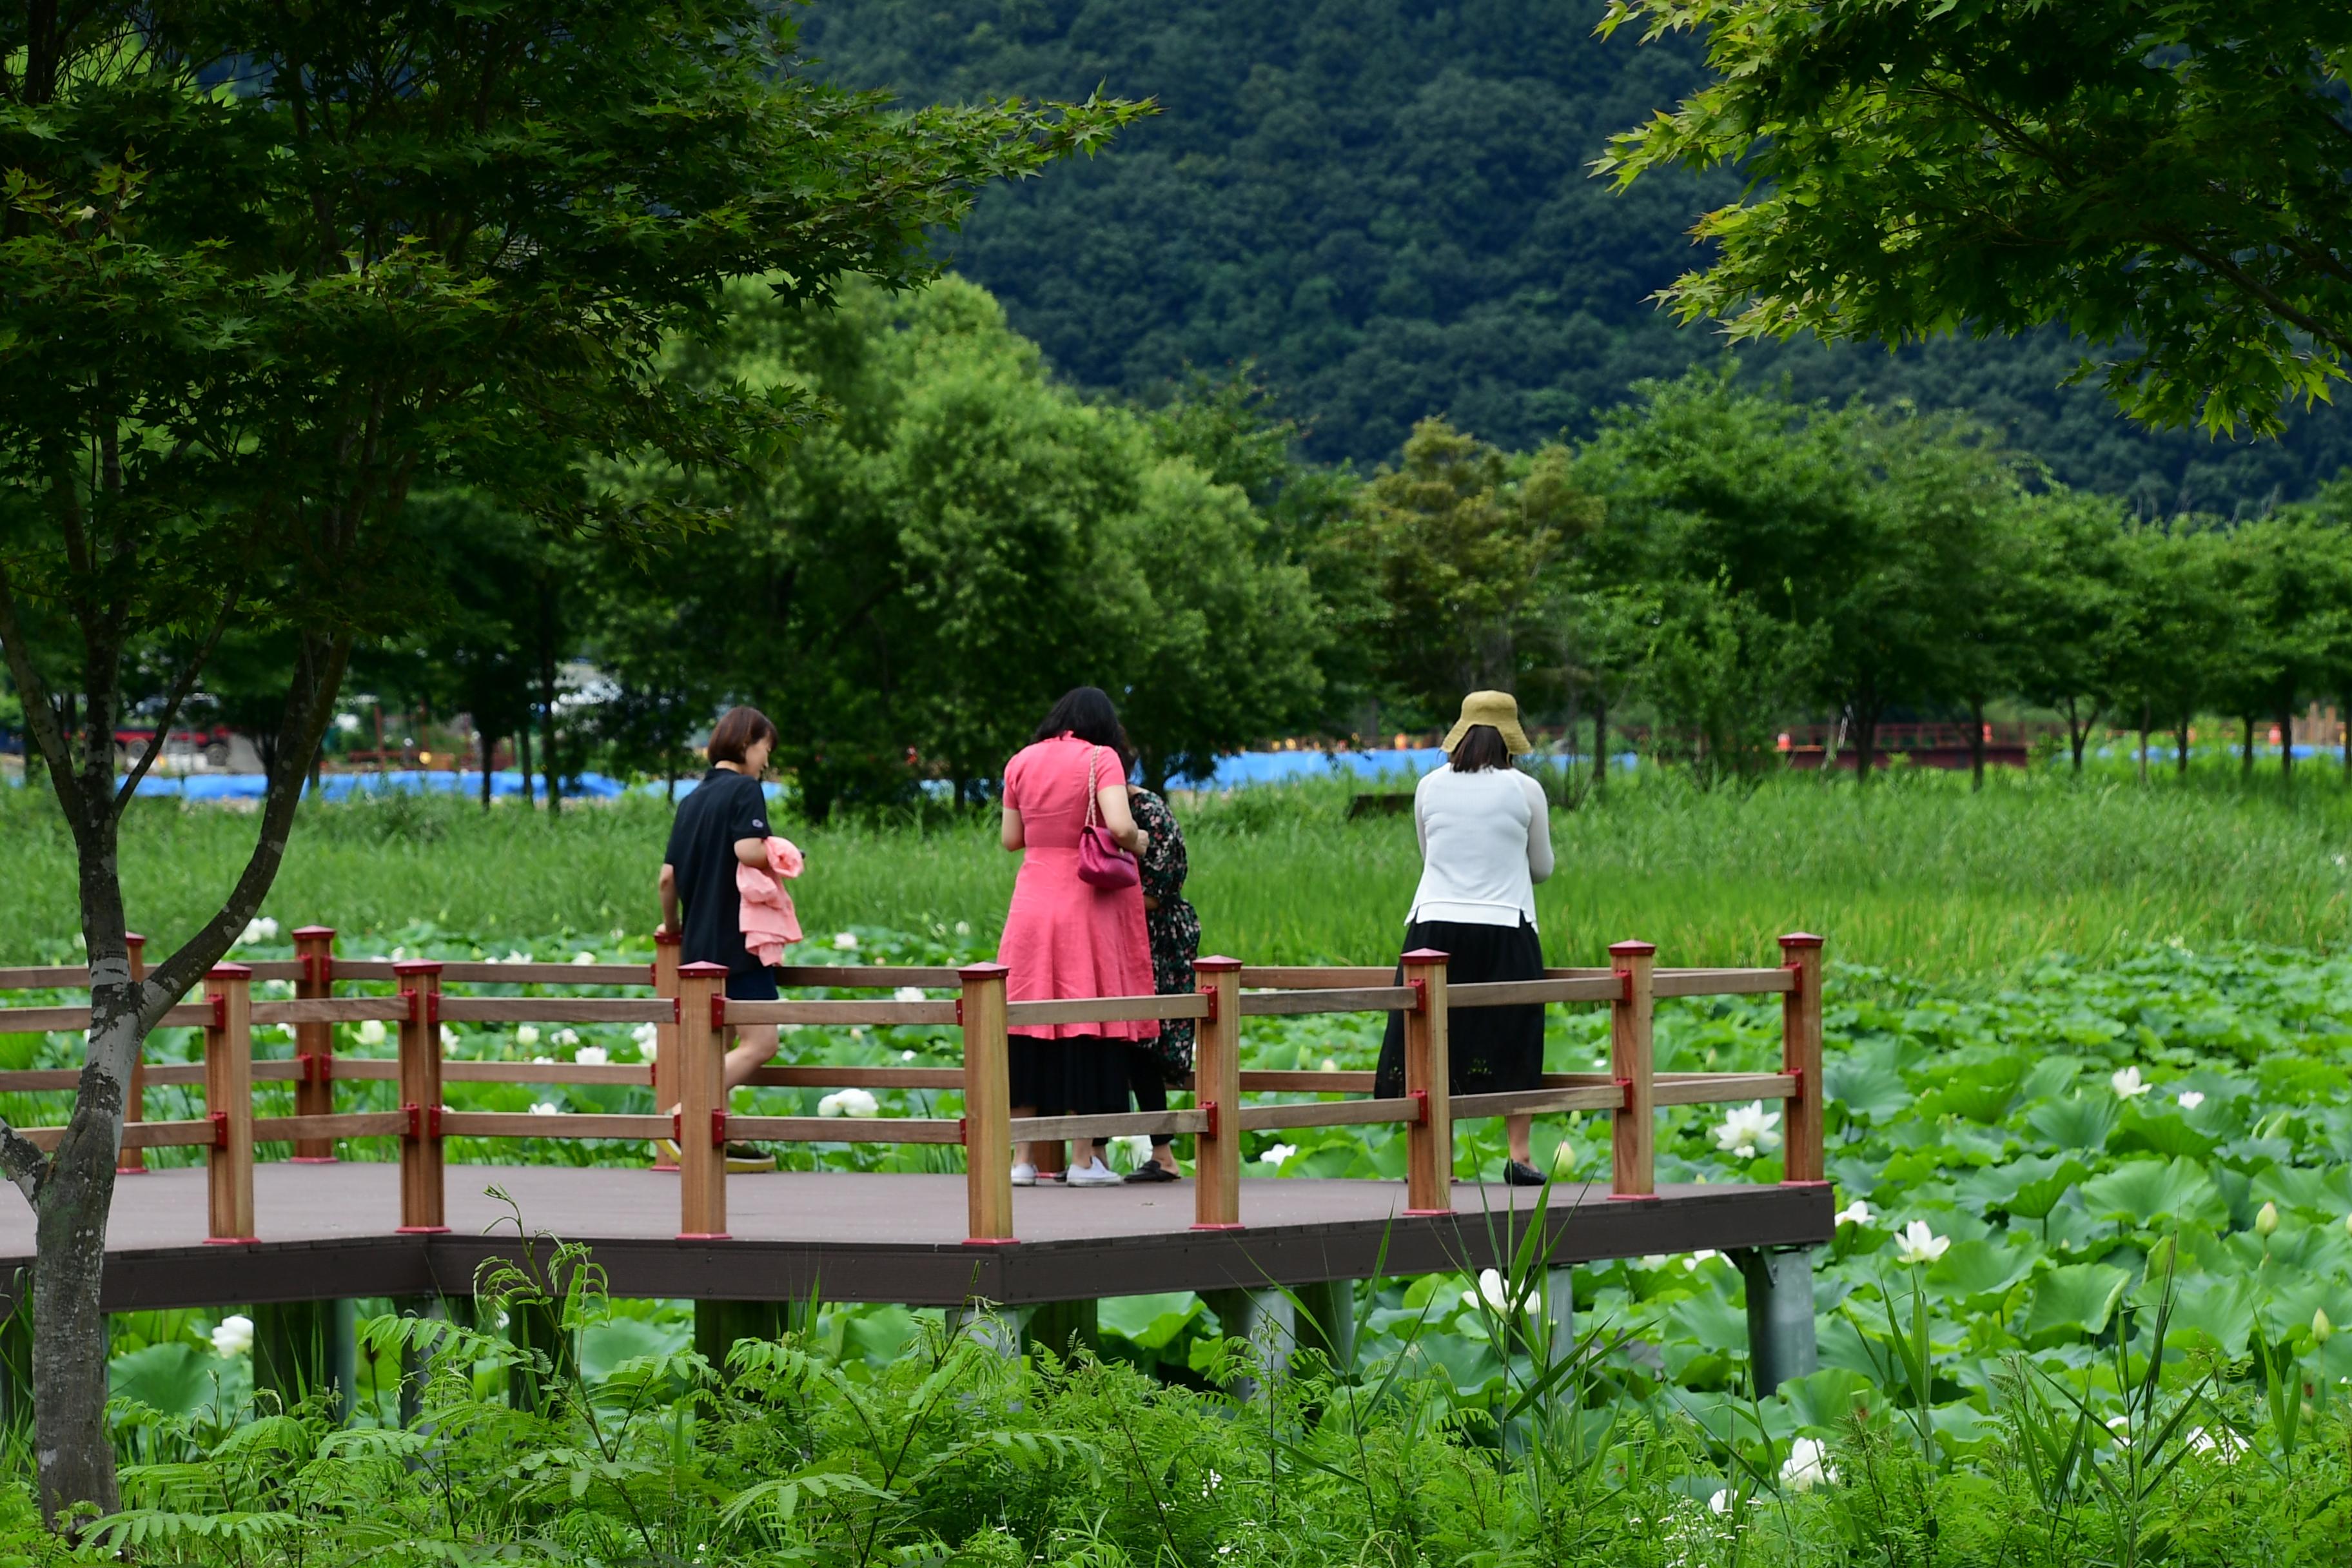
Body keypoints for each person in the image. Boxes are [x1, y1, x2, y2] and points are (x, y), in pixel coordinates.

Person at [1371, 691, 1556, 1186]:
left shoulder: (1429, 786)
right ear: (1510, 740)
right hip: (1504, 923)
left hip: (1433, 925)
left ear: (1461, 734)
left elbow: (1428, 855)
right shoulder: (1526, 789)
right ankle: (1519, 1156)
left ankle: (1438, 1159)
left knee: (1434, 1036)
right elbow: (1542, 868)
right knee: (1514, 1034)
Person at [999, 687, 1157, 1188]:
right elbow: (1118, 823)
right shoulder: (1100, 758)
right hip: (1083, 906)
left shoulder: (1020, 761)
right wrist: (1139, 840)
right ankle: (1084, 1161)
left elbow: (1011, 839)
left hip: (1030, 904)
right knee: (1085, 1020)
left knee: (1027, 1026)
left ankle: (1022, 1161)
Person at [656, 705, 789, 1173]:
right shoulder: (744, 790)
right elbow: (747, 850)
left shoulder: (691, 801)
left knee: (718, 1043)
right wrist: (786, 854)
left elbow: (667, 881)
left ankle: (715, 1140)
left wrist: (673, 929)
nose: (765, 763)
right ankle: (685, 1115)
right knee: (763, 1042)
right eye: (764, 750)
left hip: (699, 950)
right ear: (747, 742)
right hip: (741, 945)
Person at [1093, 752, 1197, 1182]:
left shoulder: (1147, 810)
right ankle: (1094, 1155)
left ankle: (1163, 1154)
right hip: (1108, 936)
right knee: (1100, 1042)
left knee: (1144, 1047)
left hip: (1153, 939)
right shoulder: (1087, 810)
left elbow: (1164, 886)